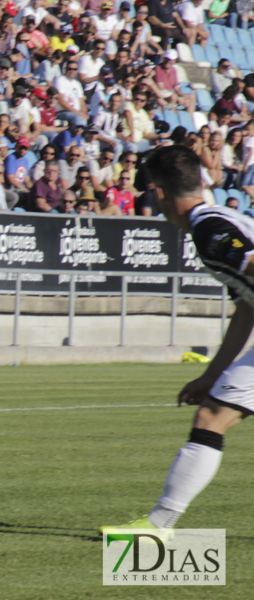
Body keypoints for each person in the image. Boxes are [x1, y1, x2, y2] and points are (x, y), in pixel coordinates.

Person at [102, 145, 254, 534]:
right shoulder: (217, 221)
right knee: (212, 415)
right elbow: (247, 309)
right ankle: (158, 525)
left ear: (159, 192)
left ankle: (158, 526)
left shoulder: (209, 229)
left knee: (212, 418)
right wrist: (210, 376)